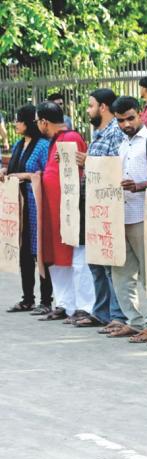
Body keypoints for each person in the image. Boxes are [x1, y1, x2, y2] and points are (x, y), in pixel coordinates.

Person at [105, 96, 147, 342]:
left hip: (145, 214)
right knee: (121, 273)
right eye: (120, 120)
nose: (125, 125)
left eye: (130, 118)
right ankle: (134, 321)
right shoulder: (122, 144)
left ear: (141, 113)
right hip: (121, 215)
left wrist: (140, 186)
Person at [35, 101, 95, 322]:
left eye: (37, 122)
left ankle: (83, 306)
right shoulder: (54, 140)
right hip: (53, 209)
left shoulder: (70, 138)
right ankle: (64, 303)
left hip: (69, 210)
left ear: (44, 121)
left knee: (76, 259)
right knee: (56, 257)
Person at [76, 88, 129, 330]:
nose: (88, 110)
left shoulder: (116, 133)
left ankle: (117, 315)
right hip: (94, 204)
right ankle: (101, 311)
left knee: (110, 263)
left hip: (109, 206)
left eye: (90, 105)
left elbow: (115, 167)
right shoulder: (98, 134)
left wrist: (88, 161)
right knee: (95, 261)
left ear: (103, 107)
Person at [3, 105, 52, 315]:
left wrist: (24, 176)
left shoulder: (42, 146)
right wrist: (6, 171)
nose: (15, 124)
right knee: (23, 252)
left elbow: (45, 173)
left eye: (18, 120)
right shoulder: (18, 144)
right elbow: (14, 168)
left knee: (38, 251)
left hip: (36, 204)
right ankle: (27, 298)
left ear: (28, 122)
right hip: (19, 204)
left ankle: (46, 300)